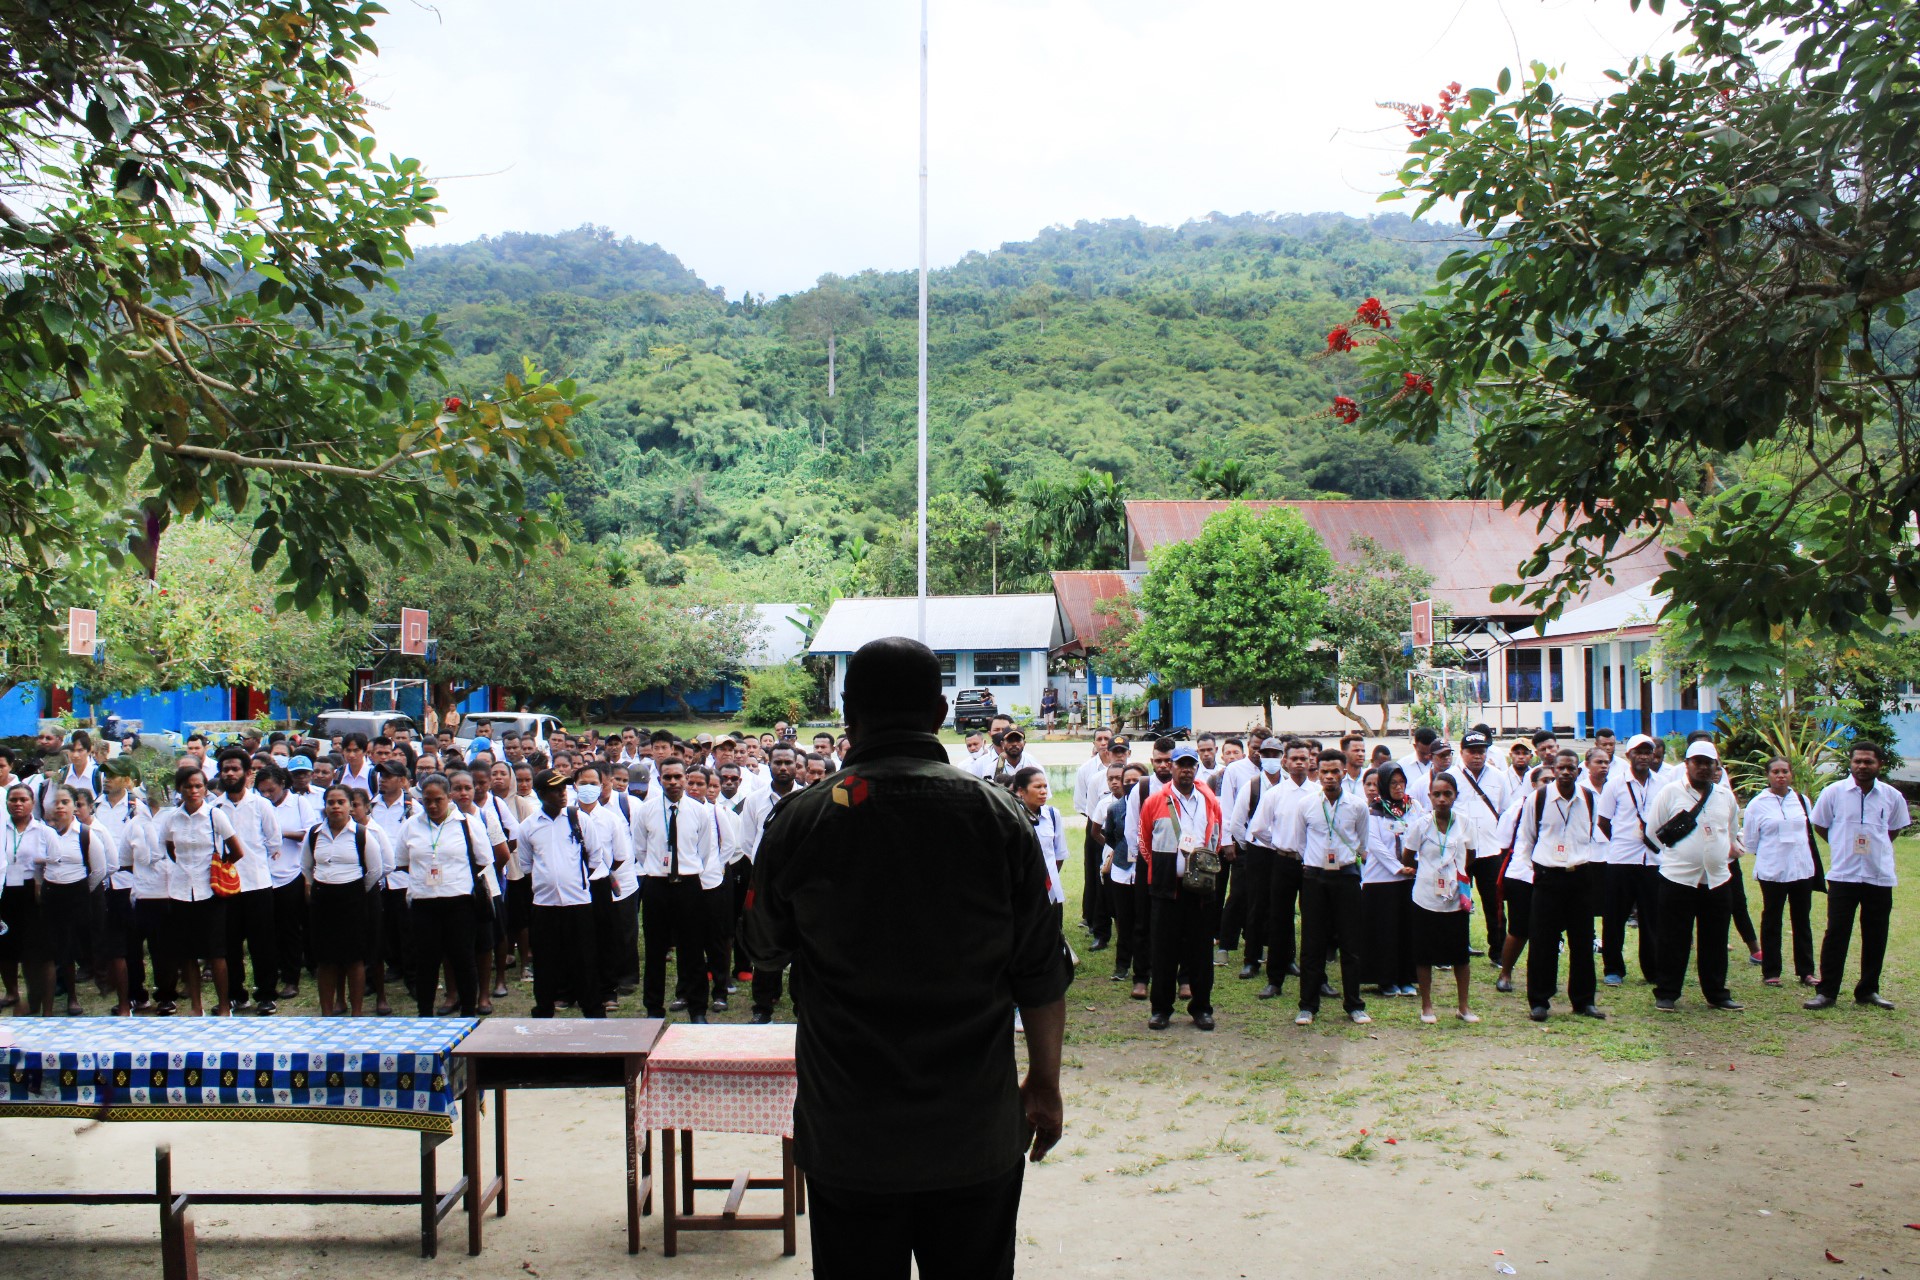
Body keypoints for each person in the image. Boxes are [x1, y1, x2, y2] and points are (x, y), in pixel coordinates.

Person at [742, 639, 1067, 1278]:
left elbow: (761, 946)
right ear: (942, 711)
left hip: (851, 1129)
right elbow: (1041, 971)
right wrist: (1046, 1086)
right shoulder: (998, 816)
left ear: (847, 711)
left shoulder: (802, 820)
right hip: (972, 1124)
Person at [1805, 741, 1908, 1011]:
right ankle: (1827, 992)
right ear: (1850, 763)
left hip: (1879, 876)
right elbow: (1820, 824)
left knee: (1876, 935)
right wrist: (1841, 846)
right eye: (1857, 761)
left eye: (1868, 762)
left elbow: (1894, 829)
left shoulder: (1892, 796)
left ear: (1879, 765)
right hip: (1843, 876)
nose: (1862, 766)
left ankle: (1868, 990)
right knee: (1836, 933)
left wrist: (1876, 850)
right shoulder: (1833, 793)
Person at [1646, 740, 1744, 1013]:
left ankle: (1716, 993)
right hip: (1678, 879)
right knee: (1672, 938)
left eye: (1708, 763)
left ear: (1716, 766)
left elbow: (1732, 831)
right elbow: (1653, 831)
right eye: (1697, 762)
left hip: (1717, 879)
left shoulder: (1725, 796)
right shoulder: (1670, 792)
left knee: (1714, 939)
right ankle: (1667, 993)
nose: (1702, 767)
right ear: (1686, 764)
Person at [1515, 749, 1604, 1022]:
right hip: (1548, 877)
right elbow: (1527, 838)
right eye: (1562, 767)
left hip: (1579, 876)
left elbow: (1591, 835)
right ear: (1553, 768)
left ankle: (1583, 1001)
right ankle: (1539, 1001)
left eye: (1572, 768)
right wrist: (1538, 871)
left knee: (1582, 940)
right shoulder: (1538, 798)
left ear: (1579, 771)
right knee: (1543, 941)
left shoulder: (1589, 798)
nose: (1566, 772)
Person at [1285, 748, 1371, 1026]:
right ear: (1317, 772)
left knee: (1351, 943)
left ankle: (1354, 1005)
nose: (1330, 777)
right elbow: (1300, 844)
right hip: (1314, 878)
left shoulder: (1357, 806)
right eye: (1325, 772)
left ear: (1344, 772)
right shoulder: (1307, 804)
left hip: (1346, 876)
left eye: (1335, 771)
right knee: (1312, 943)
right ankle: (1308, 1006)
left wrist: (1348, 862)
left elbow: (1362, 845)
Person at [155, 765, 247, 1017]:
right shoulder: (172, 818)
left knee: (216, 952)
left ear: (205, 788)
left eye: (198, 786)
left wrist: (219, 868)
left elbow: (236, 850)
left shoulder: (214, 816)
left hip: (211, 892)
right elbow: (170, 848)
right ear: (180, 789)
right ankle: (196, 1005)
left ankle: (225, 1004)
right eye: (188, 786)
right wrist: (186, 868)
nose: (193, 791)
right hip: (181, 891)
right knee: (187, 953)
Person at [519, 768, 611, 1019]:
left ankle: (593, 1010)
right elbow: (527, 866)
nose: (562, 794)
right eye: (555, 790)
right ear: (540, 794)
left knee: (585, 960)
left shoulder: (579, 820)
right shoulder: (528, 827)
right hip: (545, 905)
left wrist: (575, 882)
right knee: (546, 962)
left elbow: (595, 856)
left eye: (564, 788)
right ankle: (544, 1008)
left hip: (578, 903)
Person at [635, 758, 719, 1022]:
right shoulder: (646, 810)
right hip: (656, 885)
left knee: (692, 949)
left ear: (685, 778)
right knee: (655, 949)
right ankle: (653, 1008)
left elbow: (704, 850)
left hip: (689, 885)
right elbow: (640, 848)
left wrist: (686, 869)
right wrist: (658, 868)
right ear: (659, 779)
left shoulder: (699, 811)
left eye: (677, 777)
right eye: (667, 777)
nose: (672, 782)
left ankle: (697, 1009)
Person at [398, 773, 484, 1018]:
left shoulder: (465, 824)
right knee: (427, 961)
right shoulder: (410, 826)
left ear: (449, 797)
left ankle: (468, 1012)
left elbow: (484, 859)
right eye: (427, 801)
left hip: (459, 902)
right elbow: (403, 862)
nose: (433, 806)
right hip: (424, 902)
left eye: (438, 800)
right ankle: (425, 1012)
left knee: (463, 958)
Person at [1399, 773, 1479, 1023]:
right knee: (1423, 953)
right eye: (1437, 794)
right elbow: (1407, 857)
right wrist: (1429, 870)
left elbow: (1471, 856)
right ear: (1430, 797)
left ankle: (1463, 1007)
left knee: (1460, 955)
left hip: (1455, 897)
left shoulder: (1465, 823)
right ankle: (1427, 1007)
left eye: (1447, 793)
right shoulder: (1421, 824)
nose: (1442, 799)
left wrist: (1458, 876)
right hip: (1425, 896)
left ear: (1455, 796)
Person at [303, 783, 386, 1016]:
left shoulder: (362, 834)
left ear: (350, 806)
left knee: (354, 959)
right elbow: (306, 866)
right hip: (323, 901)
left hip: (353, 901)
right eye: (331, 802)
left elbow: (374, 870)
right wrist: (321, 884)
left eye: (341, 802)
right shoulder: (314, 834)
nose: (336, 807)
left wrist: (355, 891)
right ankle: (327, 1012)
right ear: (325, 806)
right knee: (326, 959)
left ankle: (356, 1012)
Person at [1742, 757, 1820, 988]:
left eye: (1785, 771)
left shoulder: (1802, 800)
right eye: (1775, 771)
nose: (1780, 776)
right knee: (1772, 920)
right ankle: (1771, 971)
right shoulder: (1758, 804)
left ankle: (1806, 971)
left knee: (1802, 920)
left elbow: (1808, 831)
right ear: (1768, 775)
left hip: (1801, 869)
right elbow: (1751, 841)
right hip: (1773, 870)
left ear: (1791, 774)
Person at [1595, 733, 1662, 987]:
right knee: (1615, 917)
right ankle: (1613, 968)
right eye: (1638, 752)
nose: (1643, 757)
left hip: (1653, 859)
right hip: (1621, 859)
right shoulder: (1615, 784)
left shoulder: (1662, 784)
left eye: (1648, 752)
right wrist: (1621, 842)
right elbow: (1603, 821)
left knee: (1651, 918)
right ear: (1628, 755)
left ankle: (1653, 969)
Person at [1364, 765, 1417, 999]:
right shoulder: (1373, 811)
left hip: (1409, 877)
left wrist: (1413, 864)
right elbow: (1374, 844)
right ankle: (1385, 979)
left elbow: (1421, 833)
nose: (1398, 787)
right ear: (1384, 785)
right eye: (1393, 783)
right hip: (1381, 879)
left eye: (1401, 782)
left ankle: (1406, 977)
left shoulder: (1412, 807)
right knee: (1384, 930)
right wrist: (1398, 867)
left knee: (1407, 929)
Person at [1012, 767, 1071, 941]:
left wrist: (1046, 878)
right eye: (1038, 787)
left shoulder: (1052, 815)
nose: (1044, 791)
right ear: (1021, 791)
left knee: (1052, 935)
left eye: (1045, 786)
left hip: (1050, 890)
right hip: (1022, 890)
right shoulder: (1012, 816)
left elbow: (1059, 854)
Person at [1073, 729, 1115, 949]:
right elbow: (1083, 804)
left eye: (1106, 739)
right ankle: (1094, 921)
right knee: (1096, 875)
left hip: (1123, 832)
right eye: (1099, 739)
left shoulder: (1132, 772)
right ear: (1094, 743)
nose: (1103, 743)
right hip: (1097, 827)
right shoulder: (1090, 773)